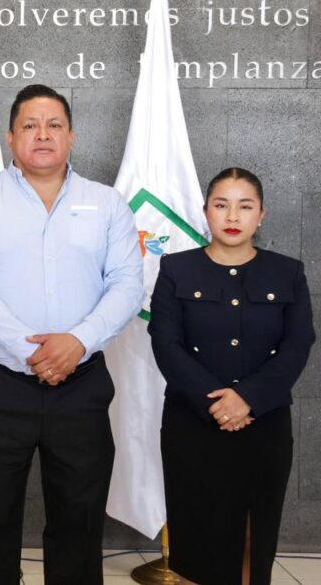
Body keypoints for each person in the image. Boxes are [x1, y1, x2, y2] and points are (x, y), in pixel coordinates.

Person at [0, 84, 144, 585]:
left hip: (81, 384)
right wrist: (31, 349)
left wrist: (77, 342)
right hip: (0, 385)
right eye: (29, 125)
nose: (42, 134)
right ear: (11, 138)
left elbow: (126, 284)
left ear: (71, 136)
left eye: (54, 125)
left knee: (79, 518)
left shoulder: (106, 203)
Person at [148, 167, 315, 585]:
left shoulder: (287, 272)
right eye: (222, 205)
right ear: (206, 211)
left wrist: (248, 399)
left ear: (262, 214)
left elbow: (297, 345)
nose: (233, 216)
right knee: (196, 535)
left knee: (252, 537)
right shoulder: (176, 269)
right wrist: (218, 404)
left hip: (264, 425)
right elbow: (166, 345)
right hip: (193, 424)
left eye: (245, 206)